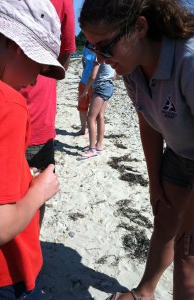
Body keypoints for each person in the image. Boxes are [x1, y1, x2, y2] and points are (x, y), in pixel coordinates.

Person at [79, 0, 194, 299]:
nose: (100, 59)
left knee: (188, 254)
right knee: (164, 223)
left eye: (105, 47)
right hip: (180, 154)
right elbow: (150, 122)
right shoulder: (131, 67)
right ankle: (144, 292)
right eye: (93, 49)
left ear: (140, 28)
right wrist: (154, 183)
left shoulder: (188, 60)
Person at [0, 0, 64, 299]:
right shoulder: (5, 105)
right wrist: (40, 190)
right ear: (20, 47)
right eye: (41, 65)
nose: (37, 78)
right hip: (1, 271)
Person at [20, 0, 75, 227]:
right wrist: (43, 71)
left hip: (32, 118)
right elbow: (66, 52)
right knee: (36, 190)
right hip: (37, 113)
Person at [78, 61, 115, 160]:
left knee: (91, 118)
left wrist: (85, 90)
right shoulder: (112, 58)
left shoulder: (99, 59)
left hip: (100, 88)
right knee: (100, 115)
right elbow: (114, 76)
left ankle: (92, 149)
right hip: (108, 86)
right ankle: (99, 145)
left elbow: (93, 76)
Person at [75, 43, 97, 136]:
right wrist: (85, 70)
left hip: (95, 83)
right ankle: (83, 129)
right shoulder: (85, 47)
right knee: (82, 107)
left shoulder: (99, 47)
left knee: (94, 109)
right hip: (84, 81)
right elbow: (83, 59)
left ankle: (93, 131)